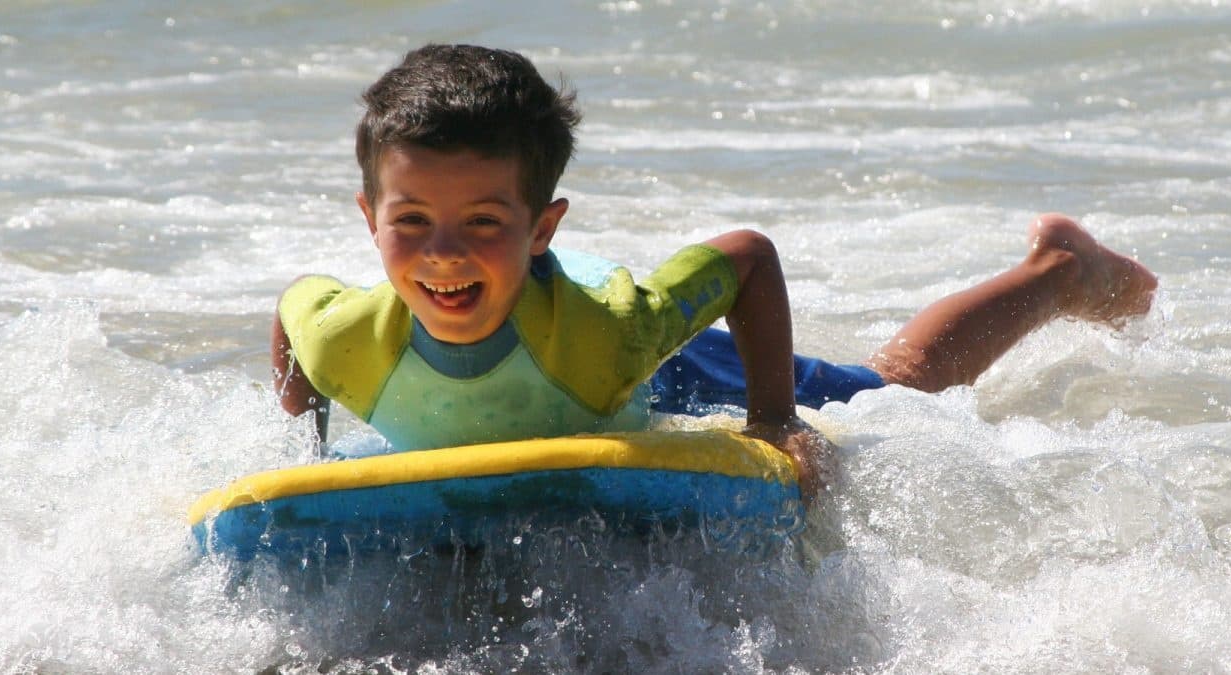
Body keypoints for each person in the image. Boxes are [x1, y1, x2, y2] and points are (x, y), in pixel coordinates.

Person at [271, 44, 1157, 500]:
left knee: (898, 391)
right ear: (369, 220)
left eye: (484, 222)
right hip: (548, 332)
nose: (445, 252)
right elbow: (292, 313)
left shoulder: (616, 335)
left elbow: (746, 257)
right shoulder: (348, 334)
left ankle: (1059, 272)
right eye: (413, 221)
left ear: (540, 228)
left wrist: (773, 419)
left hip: (649, 374)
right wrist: (301, 444)